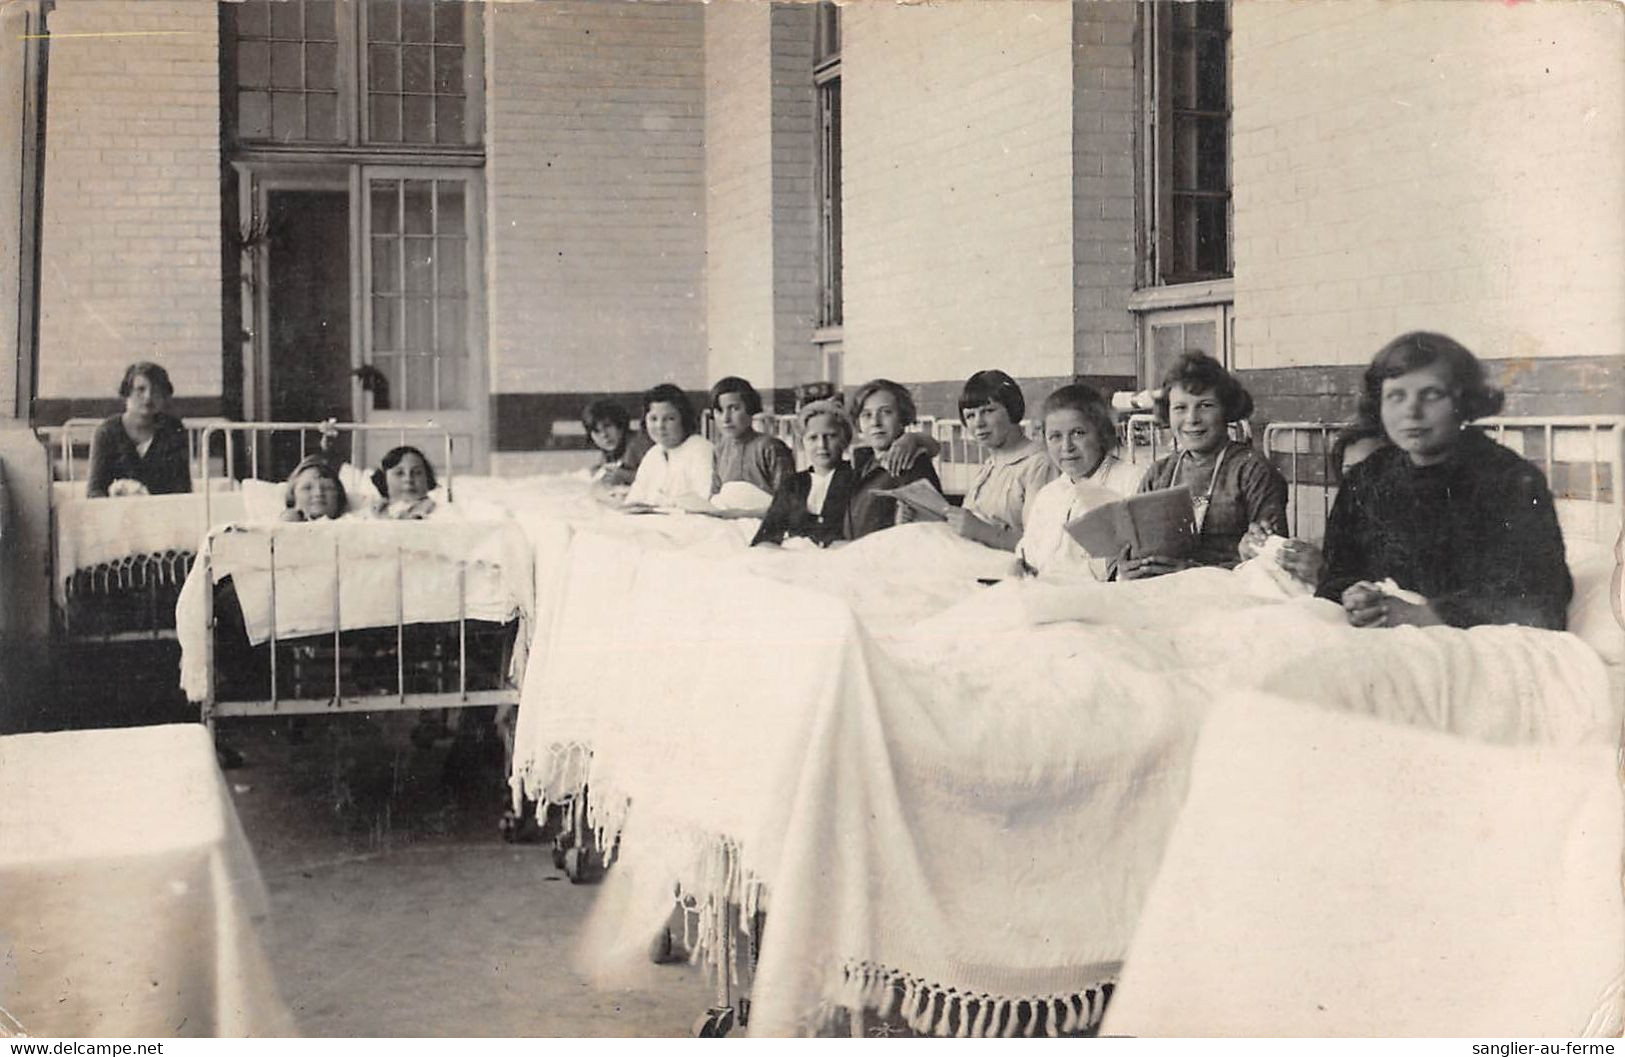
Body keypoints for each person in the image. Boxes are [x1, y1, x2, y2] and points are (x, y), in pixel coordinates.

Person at [1316, 331, 1571, 629]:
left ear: (1465, 401)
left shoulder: (1512, 480)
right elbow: (1335, 573)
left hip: (1473, 640)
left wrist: (1427, 616)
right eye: (1396, 396)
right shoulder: (1366, 476)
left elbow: (1541, 599)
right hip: (1377, 628)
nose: (1411, 411)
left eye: (1431, 394)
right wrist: (1355, 595)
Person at [1122, 352, 1287, 579]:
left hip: (1231, 593)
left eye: (1205, 406)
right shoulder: (1158, 474)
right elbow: (1134, 546)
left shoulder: (1252, 470)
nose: (1192, 419)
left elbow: (1273, 559)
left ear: (1227, 410)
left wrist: (1193, 573)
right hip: (1162, 590)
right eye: (1180, 408)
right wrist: (1127, 567)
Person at [1017, 384, 1143, 578]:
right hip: (1044, 593)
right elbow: (1028, 554)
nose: (1067, 447)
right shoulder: (1049, 494)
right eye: (1055, 437)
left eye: (1078, 433)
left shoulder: (1131, 482)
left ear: (1102, 434)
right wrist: (1019, 565)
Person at [945, 370, 1056, 551]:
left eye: (988, 411)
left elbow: (1041, 546)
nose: (978, 423)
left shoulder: (1038, 464)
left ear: (1012, 409)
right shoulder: (991, 465)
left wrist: (982, 532)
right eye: (970, 416)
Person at [845, 378, 944, 539]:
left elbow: (932, 532)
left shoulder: (911, 464)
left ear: (902, 417)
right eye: (866, 415)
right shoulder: (862, 463)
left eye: (886, 412)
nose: (875, 423)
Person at [750, 400, 858, 548]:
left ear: (845, 440)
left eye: (831, 436)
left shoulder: (856, 480)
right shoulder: (792, 484)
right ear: (803, 443)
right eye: (813, 438)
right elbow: (766, 537)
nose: (822, 445)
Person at [86, 362, 192, 498]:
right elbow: (94, 491)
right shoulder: (107, 432)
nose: (148, 396)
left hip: (162, 512)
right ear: (127, 392)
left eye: (156, 390)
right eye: (140, 389)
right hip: (119, 514)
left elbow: (182, 488)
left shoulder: (173, 429)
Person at [625, 383, 716, 508]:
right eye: (653, 419)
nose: (660, 426)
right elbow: (634, 499)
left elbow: (704, 500)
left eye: (670, 419)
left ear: (684, 419)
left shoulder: (700, 449)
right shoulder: (653, 454)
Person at [710, 376, 795, 497]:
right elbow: (715, 496)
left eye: (734, 408)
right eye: (719, 411)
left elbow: (787, 502)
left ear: (751, 409)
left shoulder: (770, 447)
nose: (725, 419)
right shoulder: (719, 450)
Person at [582, 399, 653, 488]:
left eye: (607, 426)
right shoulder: (611, 450)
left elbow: (661, 475)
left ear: (621, 424)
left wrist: (627, 476)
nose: (604, 435)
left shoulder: (638, 443)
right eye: (597, 431)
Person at [369, 446, 437, 519]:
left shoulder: (440, 512)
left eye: (417, 473)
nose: (408, 479)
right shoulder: (371, 514)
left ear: (427, 477)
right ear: (384, 479)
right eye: (399, 473)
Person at [280, 455, 349, 522]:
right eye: (307, 488)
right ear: (293, 498)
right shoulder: (284, 523)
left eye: (327, 488)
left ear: (339, 497)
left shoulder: (351, 523)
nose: (318, 493)